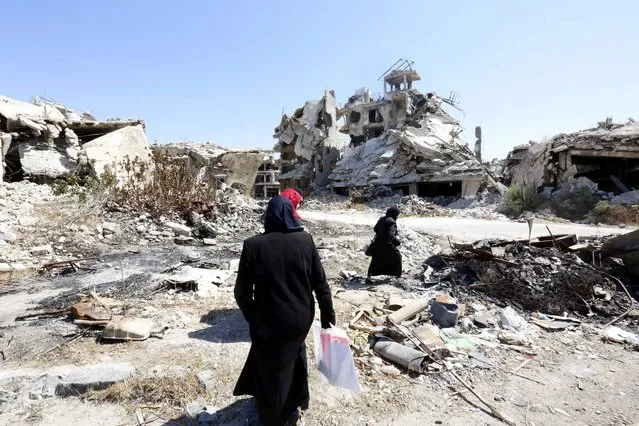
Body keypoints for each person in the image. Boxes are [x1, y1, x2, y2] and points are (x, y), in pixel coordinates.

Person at [233, 195, 335, 426]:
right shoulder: (305, 240)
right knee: (296, 351)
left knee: (273, 367)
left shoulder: (253, 245)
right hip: (301, 319)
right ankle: (301, 398)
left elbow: (241, 293)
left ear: (268, 216)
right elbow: (321, 284)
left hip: (269, 320)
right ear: (290, 213)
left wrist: (253, 318)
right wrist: (329, 318)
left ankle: (274, 416)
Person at [366, 206, 402, 283]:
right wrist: (397, 242)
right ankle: (398, 276)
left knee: (375, 259)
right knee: (397, 256)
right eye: (397, 215)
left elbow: (375, 229)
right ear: (394, 214)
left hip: (377, 244)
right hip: (387, 245)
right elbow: (390, 235)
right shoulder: (392, 222)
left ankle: (369, 276)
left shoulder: (381, 219)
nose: (397, 217)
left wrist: (381, 233)